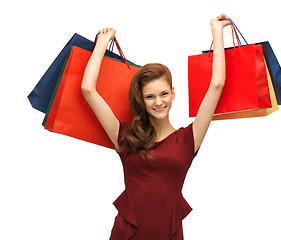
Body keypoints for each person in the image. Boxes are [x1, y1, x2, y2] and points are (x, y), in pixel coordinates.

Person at [81, 14, 231, 240]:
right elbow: (88, 89)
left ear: (173, 93)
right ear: (141, 99)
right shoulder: (125, 137)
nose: (158, 102)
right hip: (127, 234)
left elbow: (217, 84)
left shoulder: (189, 139)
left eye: (163, 94)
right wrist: (102, 43)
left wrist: (217, 32)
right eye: (150, 96)